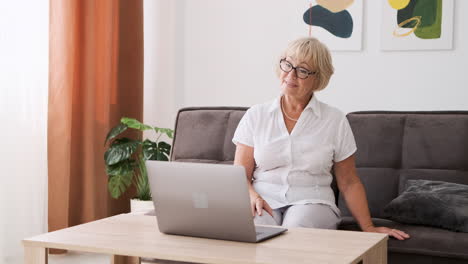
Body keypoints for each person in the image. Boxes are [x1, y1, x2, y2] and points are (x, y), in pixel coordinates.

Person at [232, 37, 410, 240]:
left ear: (318, 78)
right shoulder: (256, 114)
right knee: (257, 228)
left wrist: (369, 227)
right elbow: (240, 175)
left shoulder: (334, 120)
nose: (291, 75)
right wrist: (252, 195)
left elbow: (349, 182)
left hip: (313, 201)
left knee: (296, 229)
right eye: (288, 64)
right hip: (263, 199)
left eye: (303, 70)